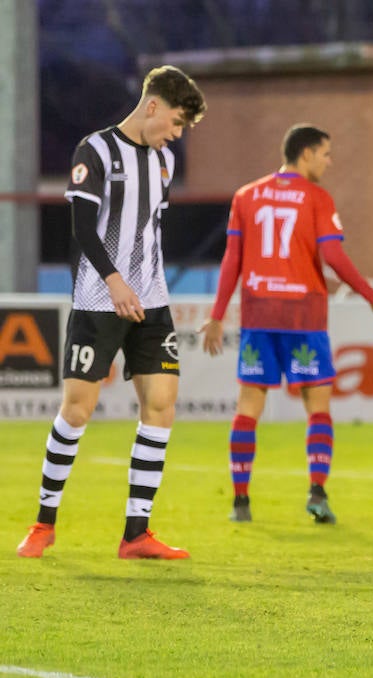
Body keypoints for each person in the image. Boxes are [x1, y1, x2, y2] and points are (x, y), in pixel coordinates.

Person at [18, 66, 206, 559]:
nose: (177, 134)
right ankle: (43, 522)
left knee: (161, 406)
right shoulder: (94, 151)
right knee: (77, 409)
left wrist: (143, 285)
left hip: (152, 300)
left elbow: (149, 231)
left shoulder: (163, 162)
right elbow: (81, 228)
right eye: (177, 123)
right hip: (99, 300)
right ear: (152, 106)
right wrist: (114, 281)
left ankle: (136, 533)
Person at [200, 124, 373, 524]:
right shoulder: (317, 198)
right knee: (318, 406)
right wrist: (371, 295)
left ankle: (240, 502)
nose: (330, 161)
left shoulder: (246, 196)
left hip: (259, 313)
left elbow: (231, 261)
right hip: (303, 315)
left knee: (249, 406)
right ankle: (317, 494)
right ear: (306, 154)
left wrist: (217, 315)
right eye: (326, 153)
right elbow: (334, 257)